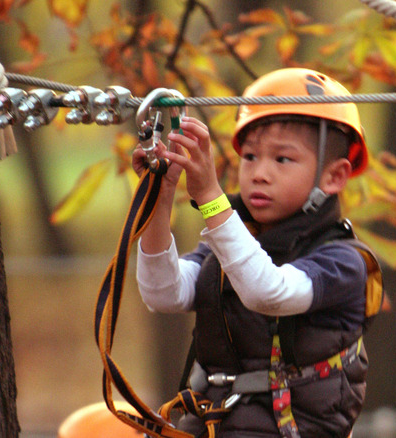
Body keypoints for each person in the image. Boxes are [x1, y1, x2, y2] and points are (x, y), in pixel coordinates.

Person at [133, 68, 381, 438]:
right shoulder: (232, 246)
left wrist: (211, 201)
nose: (259, 174)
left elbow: (267, 292)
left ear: (333, 177)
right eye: (250, 157)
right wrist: (159, 198)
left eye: (282, 160)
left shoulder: (344, 262)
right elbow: (163, 294)